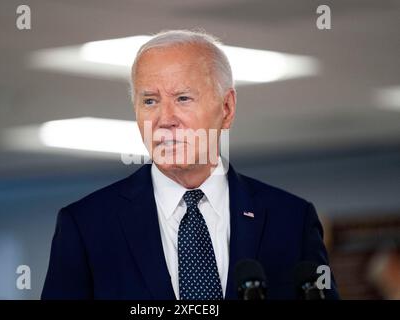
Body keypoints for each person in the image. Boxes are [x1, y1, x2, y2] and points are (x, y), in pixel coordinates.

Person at [41, 29, 339, 300]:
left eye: (182, 98)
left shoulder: (290, 220)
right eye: (149, 101)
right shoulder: (87, 226)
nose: (165, 119)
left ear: (226, 108)